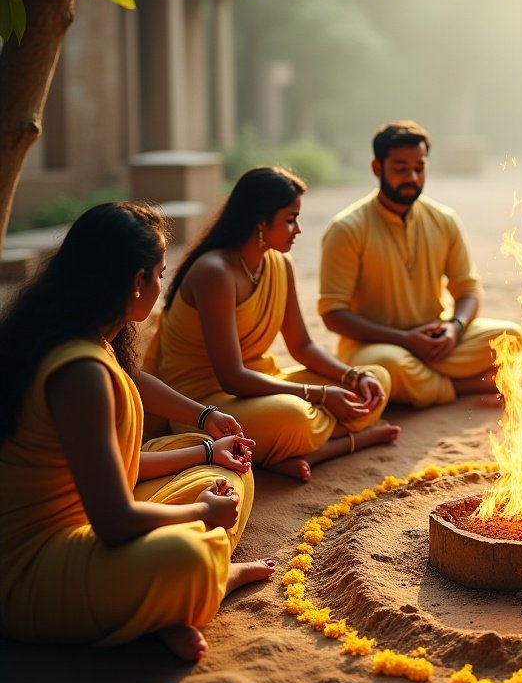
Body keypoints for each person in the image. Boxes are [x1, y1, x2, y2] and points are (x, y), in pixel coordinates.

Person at [0, 203, 274, 662]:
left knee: (224, 470)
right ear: (135, 282)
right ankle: (203, 582)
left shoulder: (91, 339)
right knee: (187, 551)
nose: (161, 285)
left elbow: (121, 468)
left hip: (95, 522)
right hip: (33, 569)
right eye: (160, 274)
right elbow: (113, 520)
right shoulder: (79, 372)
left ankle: (166, 604)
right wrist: (202, 514)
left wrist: (208, 450)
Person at [147, 167, 399, 483]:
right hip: (207, 407)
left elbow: (302, 346)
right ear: (261, 222)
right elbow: (232, 378)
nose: (299, 229)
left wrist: (353, 375)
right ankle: (339, 444)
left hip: (264, 383)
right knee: (292, 418)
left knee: (376, 379)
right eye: (290, 219)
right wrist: (321, 395)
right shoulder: (215, 272)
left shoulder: (280, 263)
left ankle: (292, 451)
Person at [318, 121, 522, 407]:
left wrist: (455, 328)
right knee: (392, 366)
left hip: (436, 341)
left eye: (419, 168)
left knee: (511, 337)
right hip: (375, 346)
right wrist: (404, 339)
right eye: (401, 168)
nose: (412, 177)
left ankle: (430, 383)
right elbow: (333, 313)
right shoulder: (347, 228)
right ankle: (465, 385)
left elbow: (469, 291)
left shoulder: (444, 219)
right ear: (377, 168)